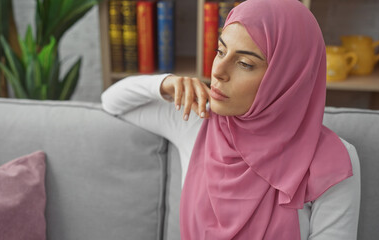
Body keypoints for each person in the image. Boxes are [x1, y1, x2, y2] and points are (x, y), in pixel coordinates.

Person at [101, 0, 361, 239]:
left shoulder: (333, 162)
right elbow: (113, 101)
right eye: (220, 51)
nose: (218, 71)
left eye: (245, 63)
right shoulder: (197, 117)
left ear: (288, 79)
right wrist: (167, 82)